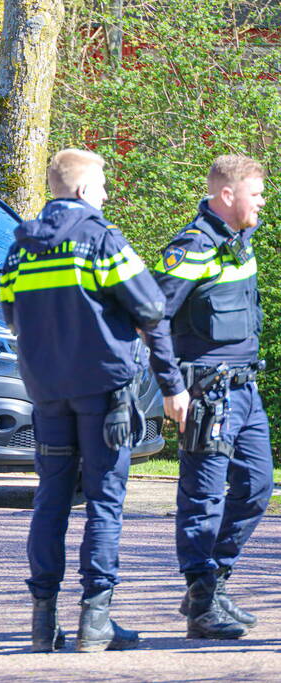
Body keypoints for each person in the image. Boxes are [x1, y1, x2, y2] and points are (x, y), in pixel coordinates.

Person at [0, 148, 165, 653]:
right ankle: (96, 621)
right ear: (81, 191)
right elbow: (152, 305)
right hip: (104, 393)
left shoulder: (20, 249)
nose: (107, 196)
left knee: (50, 500)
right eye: (103, 187)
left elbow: (11, 315)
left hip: (47, 392)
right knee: (104, 504)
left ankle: (43, 621)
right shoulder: (101, 239)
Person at [146, 154, 271, 640]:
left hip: (246, 389)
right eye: (256, 193)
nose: (262, 202)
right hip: (207, 391)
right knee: (202, 498)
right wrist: (172, 386)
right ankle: (201, 600)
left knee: (257, 487)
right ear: (227, 195)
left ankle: (213, 581)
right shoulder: (191, 248)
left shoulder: (240, 245)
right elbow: (151, 318)